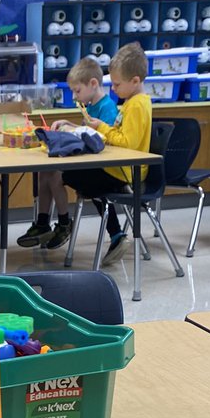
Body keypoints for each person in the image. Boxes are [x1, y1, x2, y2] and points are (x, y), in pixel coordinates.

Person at [17, 56, 119, 250]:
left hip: (100, 168)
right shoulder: (91, 106)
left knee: (55, 175)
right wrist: (67, 124)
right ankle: (43, 222)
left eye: (77, 90)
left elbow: (103, 140)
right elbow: (86, 132)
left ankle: (64, 222)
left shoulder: (107, 108)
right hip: (87, 161)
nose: (74, 96)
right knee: (44, 172)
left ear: (93, 84)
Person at [67, 42, 153, 267]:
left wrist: (101, 129)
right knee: (78, 176)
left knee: (75, 176)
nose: (113, 89)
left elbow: (128, 144)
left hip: (127, 171)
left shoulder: (136, 105)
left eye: (117, 84)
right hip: (123, 168)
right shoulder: (130, 102)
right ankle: (115, 231)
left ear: (135, 81)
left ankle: (116, 230)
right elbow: (122, 135)